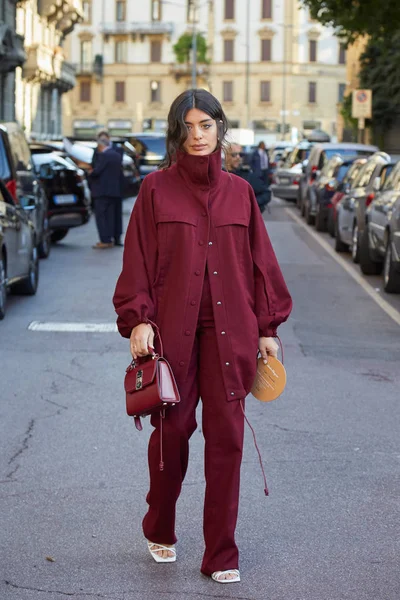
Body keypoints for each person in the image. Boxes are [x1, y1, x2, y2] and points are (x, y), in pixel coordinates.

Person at [113, 89, 292, 584]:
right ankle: (160, 524)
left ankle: (221, 553)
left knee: (228, 438)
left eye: (206, 126)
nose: (197, 136)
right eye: (188, 127)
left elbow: (261, 265)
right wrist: (139, 318)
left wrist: (267, 329)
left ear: (220, 130)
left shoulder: (240, 194)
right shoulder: (154, 189)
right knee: (172, 433)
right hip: (172, 334)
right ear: (177, 132)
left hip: (230, 335)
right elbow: (138, 261)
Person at [89, 135, 123, 249]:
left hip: (102, 191)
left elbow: (97, 172)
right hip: (114, 191)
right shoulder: (117, 155)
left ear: (100, 145)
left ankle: (105, 240)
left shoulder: (104, 156)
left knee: (101, 216)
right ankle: (112, 238)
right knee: (111, 216)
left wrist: (90, 172)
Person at [225, 143, 271, 212]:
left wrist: (251, 203)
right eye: (234, 155)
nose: (238, 157)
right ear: (226, 156)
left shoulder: (248, 176)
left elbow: (266, 193)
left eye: (241, 155)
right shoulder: (217, 176)